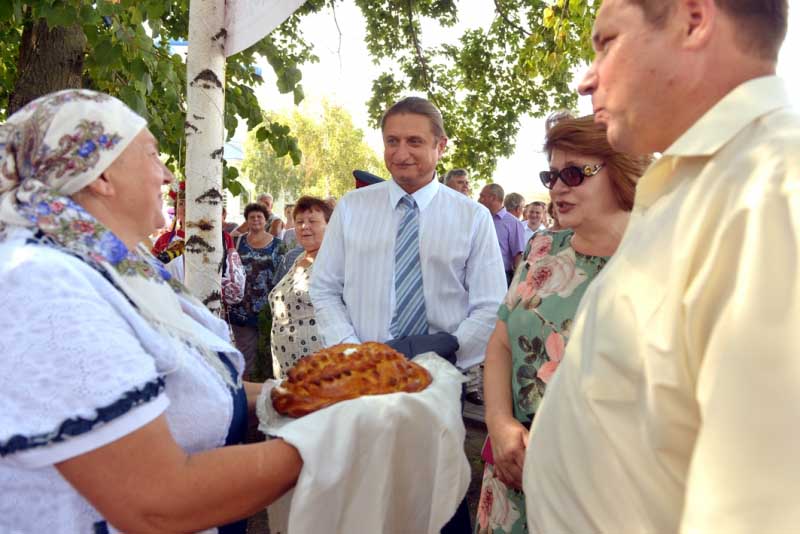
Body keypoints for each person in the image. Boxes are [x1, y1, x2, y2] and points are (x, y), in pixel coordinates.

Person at [523, 1, 799, 533]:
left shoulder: (772, 190)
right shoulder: (693, 188)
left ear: (693, 20)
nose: (587, 78)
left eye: (607, 42)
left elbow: (758, 510)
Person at [0, 90, 301, 533]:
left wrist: (291, 397)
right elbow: (155, 503)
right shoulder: (43, 284)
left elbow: (189, 389)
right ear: (101, 176)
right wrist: (333, 441)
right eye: (152, 154)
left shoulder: (116, 262)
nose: (165, 174)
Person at [310, 96, 507, 533]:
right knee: (366, 499)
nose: (402, 153)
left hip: (438, 381)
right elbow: (323, 288)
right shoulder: (352, 209)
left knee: (438, 499)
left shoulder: (472, 218)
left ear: (440, 145)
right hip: (363, 381)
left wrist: (437, 356)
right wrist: (354, 355)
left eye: (415, 141)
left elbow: (491, 304)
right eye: (392, 141)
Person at [476, 113, 650, 534]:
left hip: (595, 498)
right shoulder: (539, 249)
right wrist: (500, 426)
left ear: (624, 170)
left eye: (573, 173)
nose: (556, 188)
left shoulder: (665, 264)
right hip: (508, 484)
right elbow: (500, 344)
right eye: (551, 175)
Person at [269, 196, 332, 379]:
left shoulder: (335, 261)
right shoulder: (297, 258)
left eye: (312, 221)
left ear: (330, 225)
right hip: (287, 370)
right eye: (299, 222)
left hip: (319, 370)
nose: (305, 226)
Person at [227, 202, 286, 379]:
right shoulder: (237, 241)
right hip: (241, 307)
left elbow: (282, 275)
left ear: (265, 220)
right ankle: (246, 391)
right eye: (252, 217)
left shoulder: (278, 244)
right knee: (245, 351)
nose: (255, 220)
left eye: (259, 217)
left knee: (267, 351)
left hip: (267, 308)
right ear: (246, 220)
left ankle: (266, 389)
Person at [479, 183, 526, 285]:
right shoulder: (479, 219)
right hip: (478, 274)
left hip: (501, 277)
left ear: (493, 198)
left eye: (482, 196)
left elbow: (518, 255)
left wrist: (516, 283)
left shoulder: (513, 223)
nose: (479, 200)